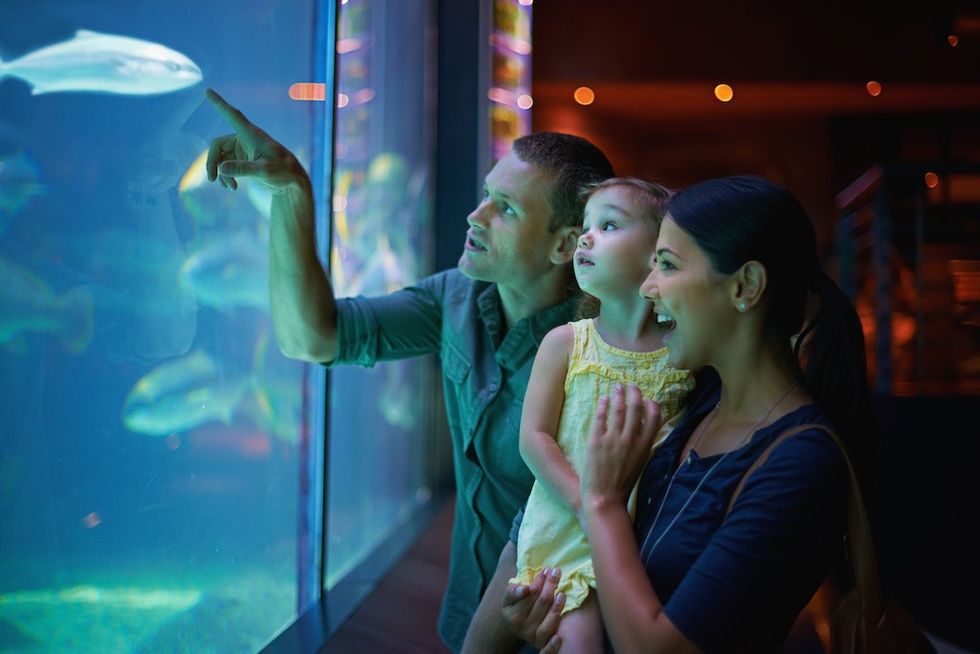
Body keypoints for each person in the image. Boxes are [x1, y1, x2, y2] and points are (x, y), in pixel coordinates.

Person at [202, 88, 616, 652]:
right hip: (466, 613)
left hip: (559, 630)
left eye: (507, 208)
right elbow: (313, 337)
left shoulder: (606, 350)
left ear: (565, 244)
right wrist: (291, 194)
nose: (477, 215)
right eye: (486, 195)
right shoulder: (456, 298)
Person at [498, 175, 869, 652]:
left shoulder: (801, 464)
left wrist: (603, 502)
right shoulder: (697, 406)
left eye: (667, 265)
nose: (649, 288)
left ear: (746, 286)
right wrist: (546, 617)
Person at [464, 178, 695, 653]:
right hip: (561, 533)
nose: (585, 238)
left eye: (608, 225)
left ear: (659, 253)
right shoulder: (568, 342)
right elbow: (534, 438)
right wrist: (584, 505)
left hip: (637, 545)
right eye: (586, 226)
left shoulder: (685, 352)